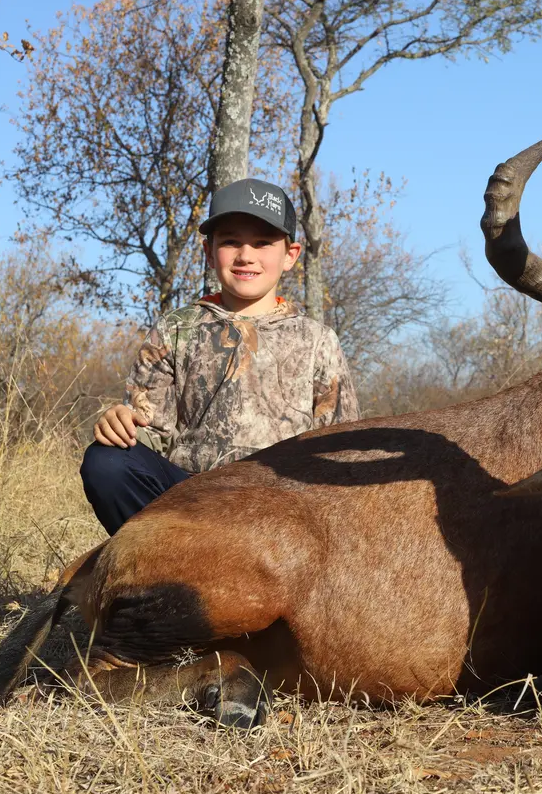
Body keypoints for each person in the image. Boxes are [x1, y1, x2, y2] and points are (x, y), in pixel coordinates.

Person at [80, 178, 358, 535]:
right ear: (210, 252)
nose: (246, 256)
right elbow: (150, 433)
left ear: (290, 255)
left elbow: (340, 448)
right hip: (190, 503)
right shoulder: (174, 329)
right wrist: (119, 422)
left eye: (262, 243)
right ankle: (165, 570)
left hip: (280, 512)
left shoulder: (318, 340)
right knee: (107, 463)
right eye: (230, 241)